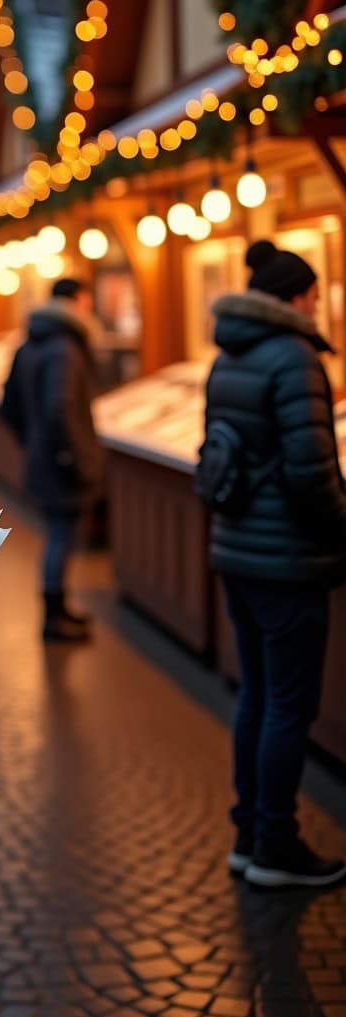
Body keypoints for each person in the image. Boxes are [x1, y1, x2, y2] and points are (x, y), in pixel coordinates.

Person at [204, 239, 346, 889]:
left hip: (237, 552)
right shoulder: (294, 358)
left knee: (258, 696)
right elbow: (311, 475)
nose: (319, 305)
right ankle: (277, 847)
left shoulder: (228, 354)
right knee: (288, 705)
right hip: (287, 559)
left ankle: (249, 834)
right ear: (296, 297)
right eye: (315, 294)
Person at [1, 276, 101, 642]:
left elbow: (10, 405)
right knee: (62, 537)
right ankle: (54, 617)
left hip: (43, 456)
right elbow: (60, 408)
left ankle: (59, 609)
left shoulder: (29, 344)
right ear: (77, 302)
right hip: (63, 461)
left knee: (57, 535)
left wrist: (32, 441)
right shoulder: (65, 348)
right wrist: (72, 457)